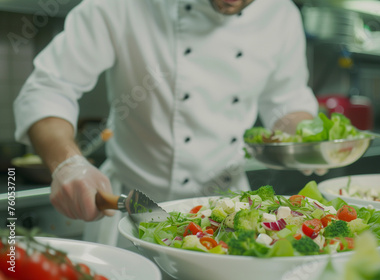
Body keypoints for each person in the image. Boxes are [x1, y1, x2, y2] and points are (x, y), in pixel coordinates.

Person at [13, 0, 318, 246]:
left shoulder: (281, 14)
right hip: (132, 212)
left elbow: (287, 99)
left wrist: (306, 139)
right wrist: (68, 164)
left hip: (228, 216)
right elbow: (49, 88)